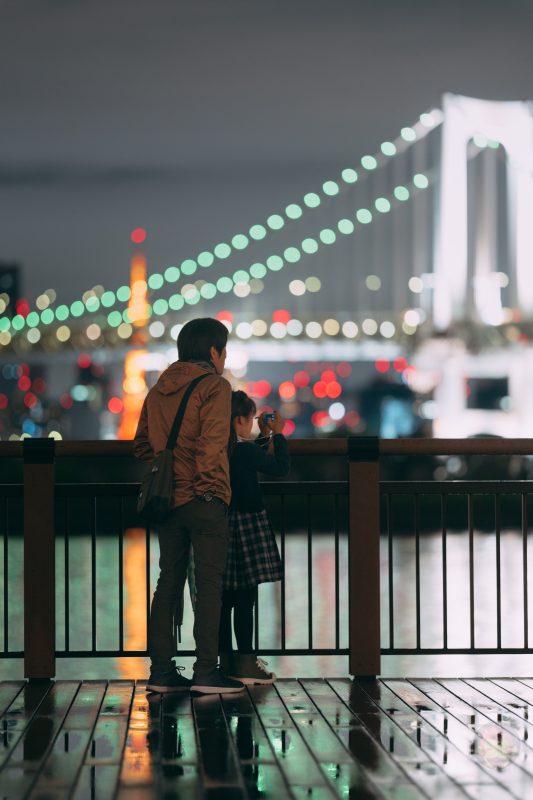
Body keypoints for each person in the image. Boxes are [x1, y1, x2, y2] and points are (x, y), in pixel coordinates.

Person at [133, 317, 244, 694]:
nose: (225, 358)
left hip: (167, 501)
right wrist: (210, 489)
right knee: (209, 586)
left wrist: (170, 473)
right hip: (203, 497)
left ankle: (161, 672)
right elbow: (211, 445)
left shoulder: (157, 389)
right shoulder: (215, 386)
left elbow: (143, 445)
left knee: (168, 582)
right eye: (223, 350)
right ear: (213, 351)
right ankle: (206, 673)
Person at [219, 390, 290, 683]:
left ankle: (223, 664)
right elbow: (279, 467)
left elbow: (249, 457)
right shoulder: (245, 451)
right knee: (246, 600)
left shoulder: (221, 450)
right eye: (249, 419)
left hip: (221, 527)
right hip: (248, 528)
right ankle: (247, 663)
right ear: (239, 420)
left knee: (222, 602)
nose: (251, 423)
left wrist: (262, 436)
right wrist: (279, 436)